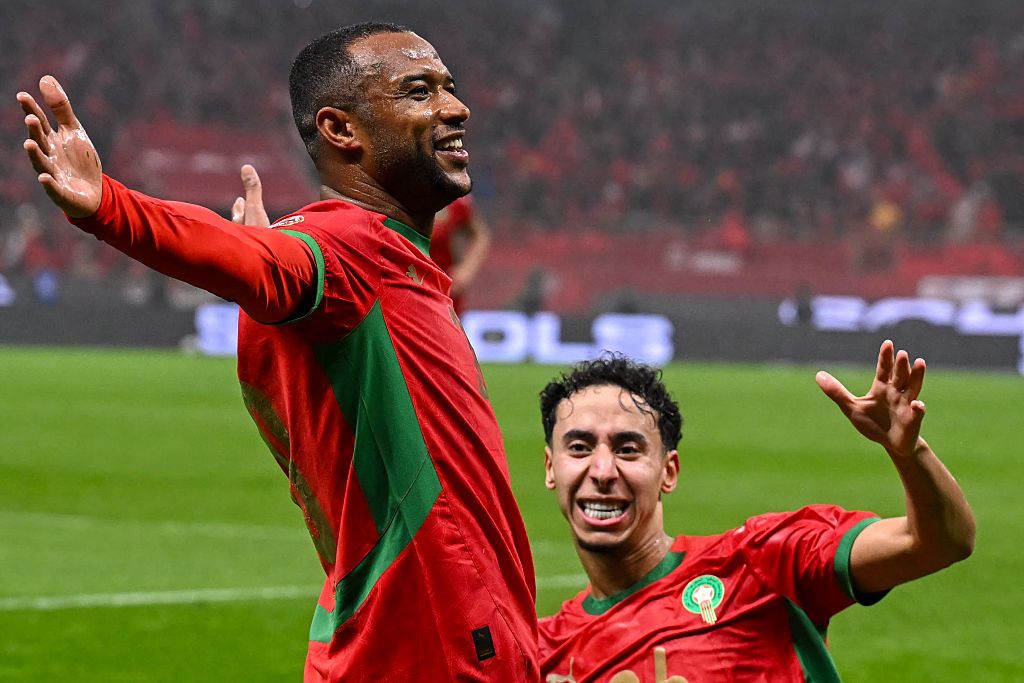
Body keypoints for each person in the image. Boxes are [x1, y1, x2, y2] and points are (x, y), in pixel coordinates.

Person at [17, 22, 537, 682]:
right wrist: (110, 206)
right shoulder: (349, 250)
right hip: (437, 649)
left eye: (449, 87)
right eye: (418, 91)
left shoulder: (380, 262)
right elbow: (254, 261)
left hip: (407, 637)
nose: (455, 107)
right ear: (341, 130)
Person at [537, 342, 974, 682]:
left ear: (668, 472)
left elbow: (939, 543)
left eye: (628, 449)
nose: (602, 471)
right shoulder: (538, 653)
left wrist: (910, 453)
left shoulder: (762, 564)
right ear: (551, 468)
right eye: (579, 448)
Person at [231, 170, 490, 316]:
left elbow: (479, 234)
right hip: (392, 290)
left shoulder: (453, 201)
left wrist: (466, 270)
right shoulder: (380, 196)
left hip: (443, 290)